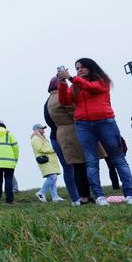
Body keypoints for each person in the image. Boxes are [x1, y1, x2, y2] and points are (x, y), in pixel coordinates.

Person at [58, 58, 132, 206]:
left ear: (90, 67)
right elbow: (65, 101)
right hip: (83, 124)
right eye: (77, 68)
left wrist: (71, 78)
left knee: (118, 158)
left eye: (82, 67)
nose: (79, 70)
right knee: (91, 161)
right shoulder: (75, 84)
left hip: (105, 122)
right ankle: (99, 196)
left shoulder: (102, 80)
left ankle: (130, 194)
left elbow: (93, 88)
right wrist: (63, 83)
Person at [44, 76, 83, 205]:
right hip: (66, 135)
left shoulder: (47, 102)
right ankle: (80, 197)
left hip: (55, 136)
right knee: (76, 166)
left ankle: (75, 198)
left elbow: (49, 121)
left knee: (68, 169)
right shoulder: (61, 98)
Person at [31, 124, 64, 202]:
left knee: (54, 177)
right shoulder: (35, 138)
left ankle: (55, 197)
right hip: (45, 160)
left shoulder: (41, 137)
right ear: (37, 129)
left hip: (49, 160)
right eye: (41, 128)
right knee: (52, 177)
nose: (43, 129)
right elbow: (40, 148)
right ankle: (41, 192)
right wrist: (53, 149)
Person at [0, 121, 19, 204]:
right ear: (4, 126)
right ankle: (9, 200)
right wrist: (15, 159)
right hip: (8, 161)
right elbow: (16, 147)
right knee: (8, 179)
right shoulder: (8, 133)